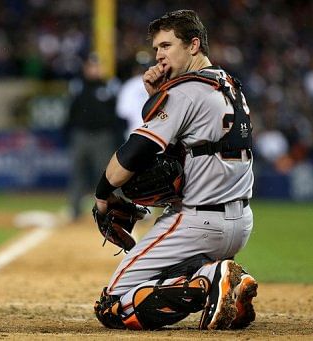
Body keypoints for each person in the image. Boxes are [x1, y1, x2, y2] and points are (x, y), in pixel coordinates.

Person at [92, 10, 258, 331]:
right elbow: (189, 142)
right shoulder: (231, 85)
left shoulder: (185, 91)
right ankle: (226, 286)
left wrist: (103, 195)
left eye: (166, 46)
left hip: (198, 222)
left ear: (193, 45)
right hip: (239, 225)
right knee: (161, 275)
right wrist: (159, 96)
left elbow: (135, 153)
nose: (159, 55)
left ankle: (208, 279)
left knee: (113, 307)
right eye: (156, 48)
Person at [65, 53, 124, 221]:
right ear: (86, 68)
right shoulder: (77, 86)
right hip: (81, 135)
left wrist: (116, 136)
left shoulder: (110, 86)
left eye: (97, 66)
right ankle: (75, 210)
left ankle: (112, 209)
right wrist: (69, 132)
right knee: (77, 173)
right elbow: (71, 113)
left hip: (103, 136)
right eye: (91, 66)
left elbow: (116, 114)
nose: (95, 69)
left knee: (107, 175)